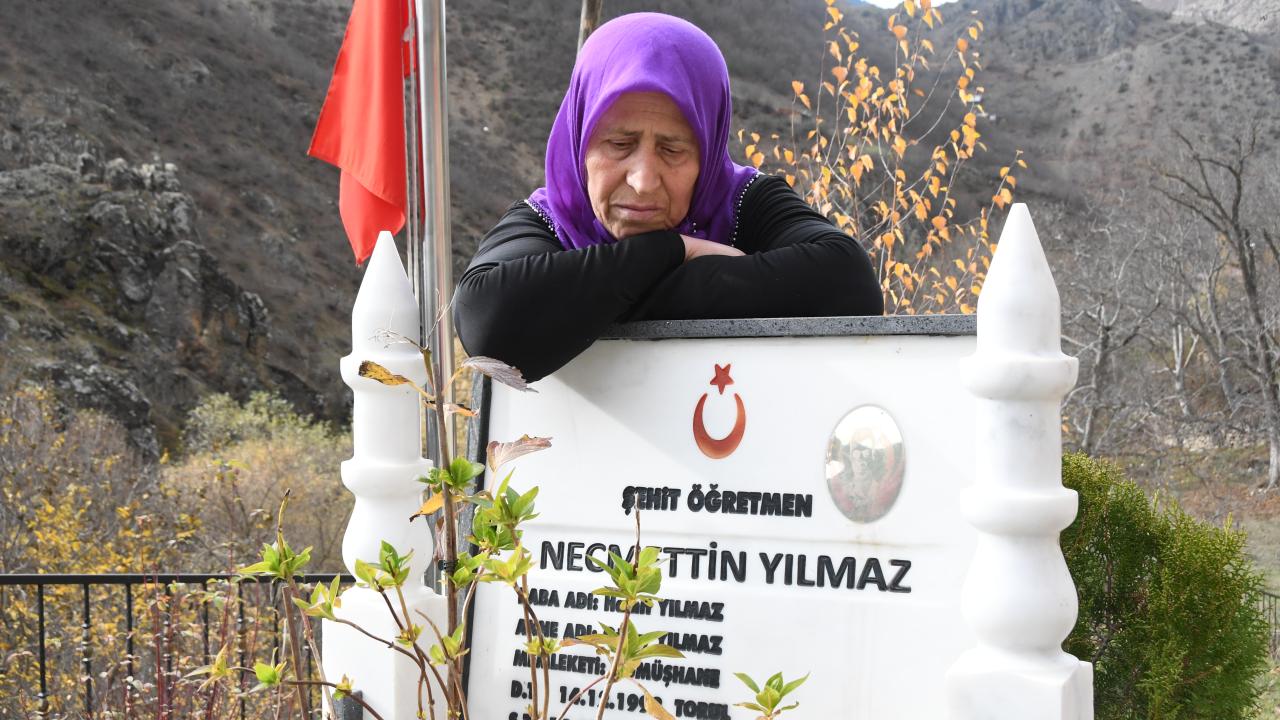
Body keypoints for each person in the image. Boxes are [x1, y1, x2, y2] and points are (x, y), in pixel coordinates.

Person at [453, 13, 883, 382]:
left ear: (707, 153)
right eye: (619, 144)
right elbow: (490, 326)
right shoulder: (550, 219)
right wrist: (677, 250)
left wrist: (590, 300)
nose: (643, 181)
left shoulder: (743, 200)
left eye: (673, 150)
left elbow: (849, 286)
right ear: (579, 143)